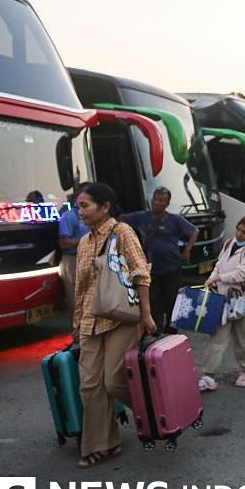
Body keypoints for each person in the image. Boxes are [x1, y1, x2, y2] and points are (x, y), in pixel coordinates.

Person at [72, 182, 156, 468]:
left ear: (105, 206)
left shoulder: (122, 233)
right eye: (77, 206)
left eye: (85, 206)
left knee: (113, 381)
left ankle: (156, 411)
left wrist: (147, 315)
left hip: (121, 318)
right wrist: (76, 324)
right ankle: (102, 445)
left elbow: (141, 273)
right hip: (90, 322)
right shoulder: (83, 243)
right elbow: (81, 289)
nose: (79, 211)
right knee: (89, 386)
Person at [198, 215, 245, 390]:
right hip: (223, 297)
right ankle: (207, 375)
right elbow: (219, 264)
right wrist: (211, 279)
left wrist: (220, 278)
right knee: (217, 337)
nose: (240, 234)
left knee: (244, 338)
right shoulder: (229, 244)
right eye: (238, 230)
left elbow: (242, 274)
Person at [122, 187, 198, 333]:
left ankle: (171, 328)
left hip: (172, 267)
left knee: (171, 300)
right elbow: (121, 219)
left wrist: (187, 251)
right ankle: (155, 329)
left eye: (161, 201)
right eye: (155, 200)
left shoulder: (175, 219)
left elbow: (194, 231)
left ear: (167, 203)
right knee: (153, 300)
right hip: (150, 269)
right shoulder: (141, 217)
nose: (157, 203)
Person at [58, 183, 90, 312]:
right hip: (72, 260)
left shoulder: (92, 214)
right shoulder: (69, 216)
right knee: (77, 301)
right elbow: (63, 242)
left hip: (88, 258)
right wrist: (85, 241)